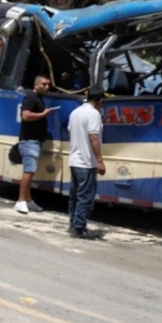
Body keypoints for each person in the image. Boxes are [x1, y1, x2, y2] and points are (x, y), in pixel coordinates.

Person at [67, 85, 106, 239]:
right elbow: (94, 137)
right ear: (100, 100)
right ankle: (79, 228)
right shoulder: (93, 114)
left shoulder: (75, 112)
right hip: (86, 162)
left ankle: (73, 223)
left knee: (75, 195)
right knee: (85, 197)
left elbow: (70, 133)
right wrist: (100, 160)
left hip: (74, 160)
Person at [14, 75, 54, 214]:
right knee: (28, 171)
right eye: (44, 84)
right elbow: (25, 116)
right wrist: (43, 114)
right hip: (29, 141)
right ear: (36, 84)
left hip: (36, 141)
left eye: (48, 85)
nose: (47, 87)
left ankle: (28, 200)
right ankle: (20, 201)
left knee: (31, 171)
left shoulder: (39, 99)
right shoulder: (31, 97)